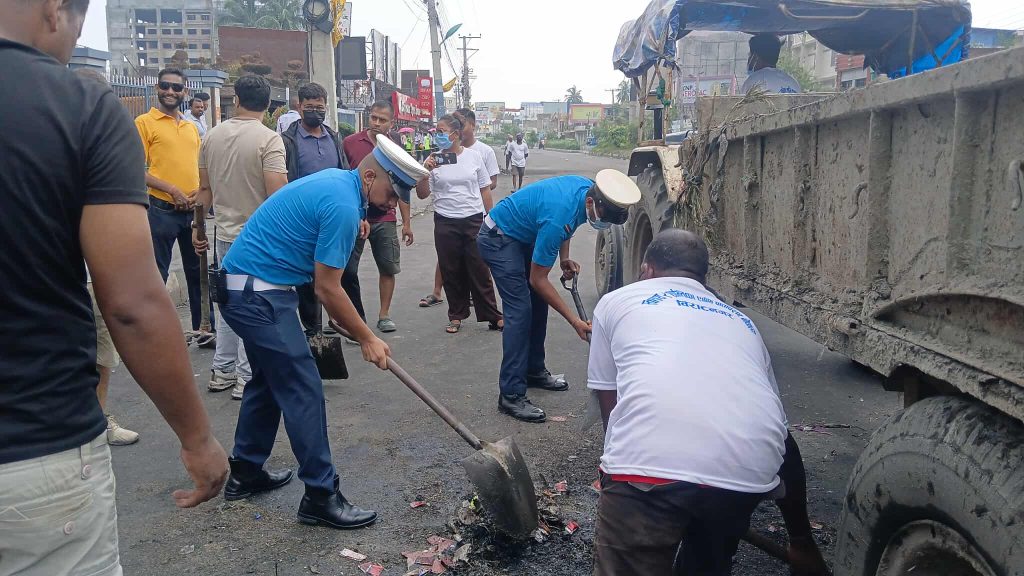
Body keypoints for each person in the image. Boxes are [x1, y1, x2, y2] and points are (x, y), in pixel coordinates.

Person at [0, 0, 228, 572]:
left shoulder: (186, 128)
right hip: (33, 450)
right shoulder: (77, 106)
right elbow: (129, 303)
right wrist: (197, 438)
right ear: (56, 11)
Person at [216, 134, 427, 529]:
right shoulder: (343, 205)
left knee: (268, 381)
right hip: (258, 296)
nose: (392, 204)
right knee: (303, 387)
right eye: (390, 193)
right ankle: (320, 495)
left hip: (246, 289)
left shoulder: (339, 186)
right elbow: (327, 288)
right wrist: (367, 336)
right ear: (368, 176)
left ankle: (245, 472)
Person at [588, 230, 788, 575]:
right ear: (702, 277)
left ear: (646, 270)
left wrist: (616, 467)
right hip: (748, 475)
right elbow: (783, 434)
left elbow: (609, 395)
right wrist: (801, 539)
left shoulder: (617, 300)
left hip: (646, 470)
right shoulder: (743, 322)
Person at [477, 171, 640, 422]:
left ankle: (533, 371)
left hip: (524, 232)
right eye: (604, 219)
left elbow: (569, 225)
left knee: (538, 303)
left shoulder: (589, 190)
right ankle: (510, 394)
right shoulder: (558, 216)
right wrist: (574, 320)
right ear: (591, 203)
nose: (604, 225)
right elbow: (538, 278)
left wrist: (564, 258)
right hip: (498, 238)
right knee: (520, 311)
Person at [192, 74, 289, 400]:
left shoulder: (211, 137)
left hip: (225, 237)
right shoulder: (269, 140)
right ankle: (246, 379)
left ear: (236, 99)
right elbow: (277, 196)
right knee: (256, 307)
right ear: (268, 105)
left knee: (229, 305)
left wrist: (197, 228)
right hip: (260, 241)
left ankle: (222, 371)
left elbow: (203, 192)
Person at [135, 67, 214, 347]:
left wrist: (199, 190)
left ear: (185, 92)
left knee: (199, 273)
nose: (170, 92)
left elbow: (198, 166)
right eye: (165, 86)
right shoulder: (145, 123)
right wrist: (171, 189)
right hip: (161, 210)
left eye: (176, 88)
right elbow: (134, 168)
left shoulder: (191, 127)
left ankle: (204, 329)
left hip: (193, 213)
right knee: (157, 274)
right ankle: (153, 335)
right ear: (157, 88)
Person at [280, 82, 360, 339]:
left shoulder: (334, 138)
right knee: (307, 278)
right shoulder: (288, 141)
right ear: (299, 107)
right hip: (303, 220)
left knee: (343, 271)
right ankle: (313, 330)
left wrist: (360, 213)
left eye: (320, 107)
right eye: (310, 107)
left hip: (334, 217)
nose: (316, 111)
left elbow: (349, 175)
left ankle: (348, 322)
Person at [416, 114, 503, 334]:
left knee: (480, 268)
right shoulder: (433, 159)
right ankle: (456, 315)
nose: (438, 135)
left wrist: (491, 220)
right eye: (436, 131)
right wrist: (425, 173)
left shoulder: (473, 157)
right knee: (450, 269)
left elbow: (485, 188)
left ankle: (493, 315)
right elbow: (423, 194)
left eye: (442, 131)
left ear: (455, 134)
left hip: (473, 219)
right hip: (445, 220)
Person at [342, 99, 414, 333]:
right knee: (346, 269)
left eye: (382, 120)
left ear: (391, 123)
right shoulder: (350, 143)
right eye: (373, 117)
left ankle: (384, 315)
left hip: (384, 218)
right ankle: (348, 316)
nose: (376, 123)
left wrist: (407, 223)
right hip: (354, 216)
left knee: (387, 267)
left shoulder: (396, 150)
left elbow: (401, 191)